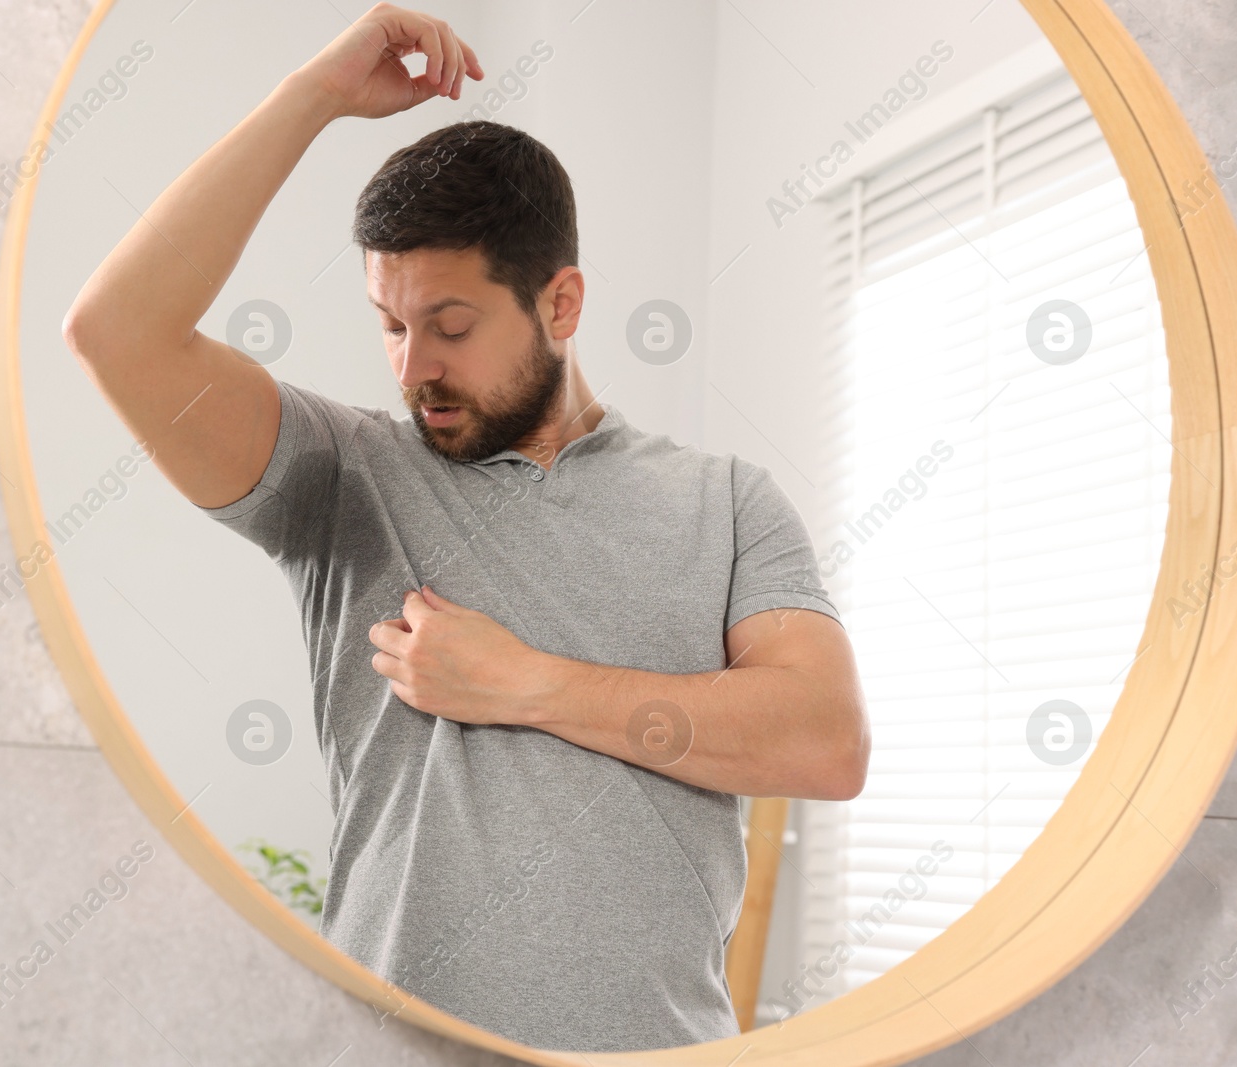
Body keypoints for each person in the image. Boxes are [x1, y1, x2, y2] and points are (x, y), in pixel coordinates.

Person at [62, 2, 869, 1052]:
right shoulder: (340, 475)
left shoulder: (725, 502)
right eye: (390, 323)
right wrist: (314, 98)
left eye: (449, 325)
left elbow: (824, 737)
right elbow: (115, 331)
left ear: (562, 302)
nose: (411, 367)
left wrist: (522, 682)